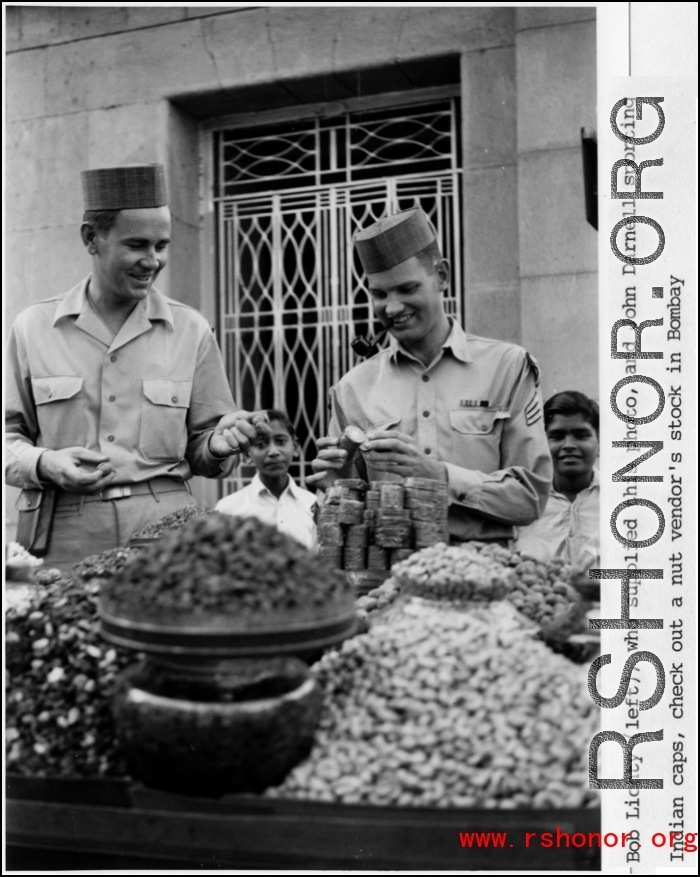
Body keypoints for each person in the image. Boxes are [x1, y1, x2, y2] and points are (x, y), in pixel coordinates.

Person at [6, 163, 264, 573]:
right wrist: (45, 463)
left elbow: (205, 445)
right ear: (92, 238)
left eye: (161, 246)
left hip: (167, 532)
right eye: (137, 245)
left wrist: (218, 444)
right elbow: (8, 437)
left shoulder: (191, 330)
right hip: (65, 534)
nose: (153, 261)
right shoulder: (33, 328)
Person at [309, 208, 552, 543]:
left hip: (486, 581)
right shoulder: (352, 388)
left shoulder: (507, 367)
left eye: (407, 289)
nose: (392, 308)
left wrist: (438, 476)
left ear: (442, 275)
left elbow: (531, 498)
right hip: (388, 583)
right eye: (379, 294)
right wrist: (338, 484)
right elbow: (347, 518)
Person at [516, 391, 600, 572]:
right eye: (556, 436)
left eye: (581, 435)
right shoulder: (521, 500)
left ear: (600, 442)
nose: (569, 444)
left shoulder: (623, 499)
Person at [216, 410, 317, 551]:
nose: (273, 451)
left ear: (295, 447)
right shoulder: (230, 508)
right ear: (247, 455)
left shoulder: (311, 504)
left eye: (281, 441)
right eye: (261, 444)